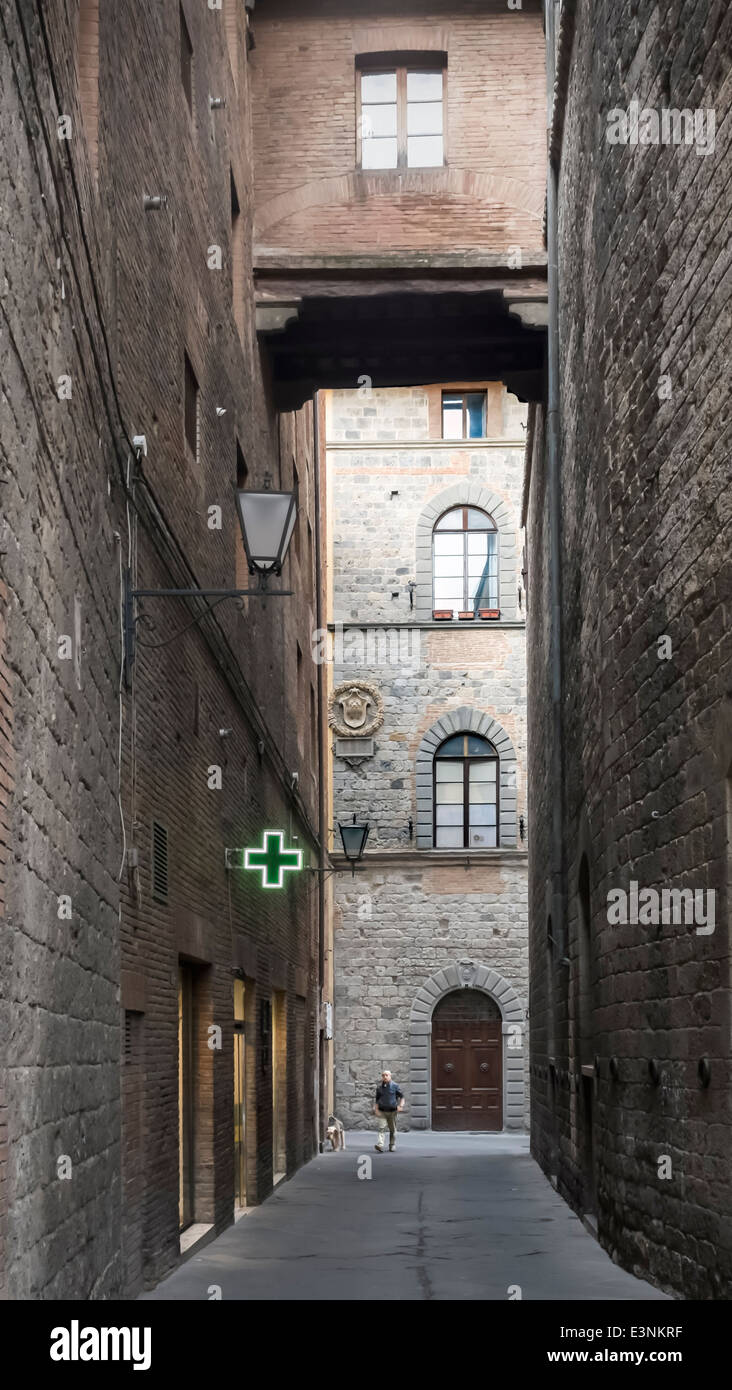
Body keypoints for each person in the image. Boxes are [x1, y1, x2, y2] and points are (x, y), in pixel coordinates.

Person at [373, 1069, 405, 1152]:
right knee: (381, 1128)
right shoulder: (379, 1088)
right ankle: (380, 1145)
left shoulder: (395, 1086)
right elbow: (377, 1100)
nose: (385, 1077)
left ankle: (392, 1145)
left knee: (392, 1129)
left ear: (390, 1076)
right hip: (382, 1111)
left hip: (392, 1111)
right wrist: (376, 1109)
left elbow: (402, 1097)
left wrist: (400, 1105)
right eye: (383, 1075)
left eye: (387, 1075)